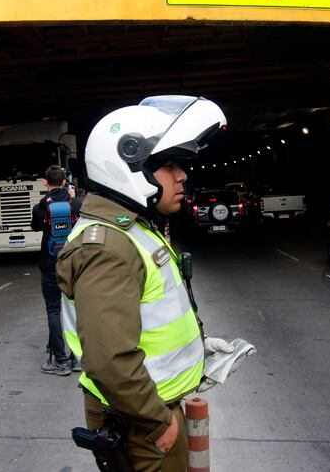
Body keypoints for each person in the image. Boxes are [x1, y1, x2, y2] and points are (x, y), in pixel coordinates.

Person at [56, 96, 234, 471]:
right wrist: (158, 420)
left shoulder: (135, 229)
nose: (182, 175)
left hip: (148, 407)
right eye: (169, 165)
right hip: (139, 420)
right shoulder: (108, 247)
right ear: (128, 165)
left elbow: (149, 314)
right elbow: (108, 359)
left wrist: (198, 348)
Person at [31, 165, 82, 376]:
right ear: (64, 182)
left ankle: (60, 362)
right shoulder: (76, 204)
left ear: (46, 183)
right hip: (74, 264)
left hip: (50, 263)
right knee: (76, 309)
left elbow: (35, 227)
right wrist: (73, 198)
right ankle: (78, 359)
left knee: (54, 311)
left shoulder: (40, 207)